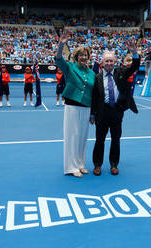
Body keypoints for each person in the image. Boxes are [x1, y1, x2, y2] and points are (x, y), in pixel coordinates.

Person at [90, 39, 140, 176]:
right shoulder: (97, 78)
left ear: (115, 63)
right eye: (106, 61)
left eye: (111, 61)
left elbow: (135, 66)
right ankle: (97, 165)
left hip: (117, 112)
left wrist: (134, 51)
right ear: (102, 63)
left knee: (115, 140)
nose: (109, 63)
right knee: (99, 140)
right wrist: (92, 114)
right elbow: (94, 98)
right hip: (101, 112)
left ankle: (113, 165)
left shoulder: (121, 73)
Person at [56, 29, 95, 178]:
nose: (84, 57)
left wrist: (93, 113)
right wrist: (61, 44)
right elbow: (59, 60)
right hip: (72, 106)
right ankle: (71, 167)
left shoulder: (91, 73)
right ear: (76, 56)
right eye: (81, 55)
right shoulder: (70, 67)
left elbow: (93, 93)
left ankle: (80, 164)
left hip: (86, 107)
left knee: (83, 137)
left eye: (86, 55)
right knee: (72, 136)